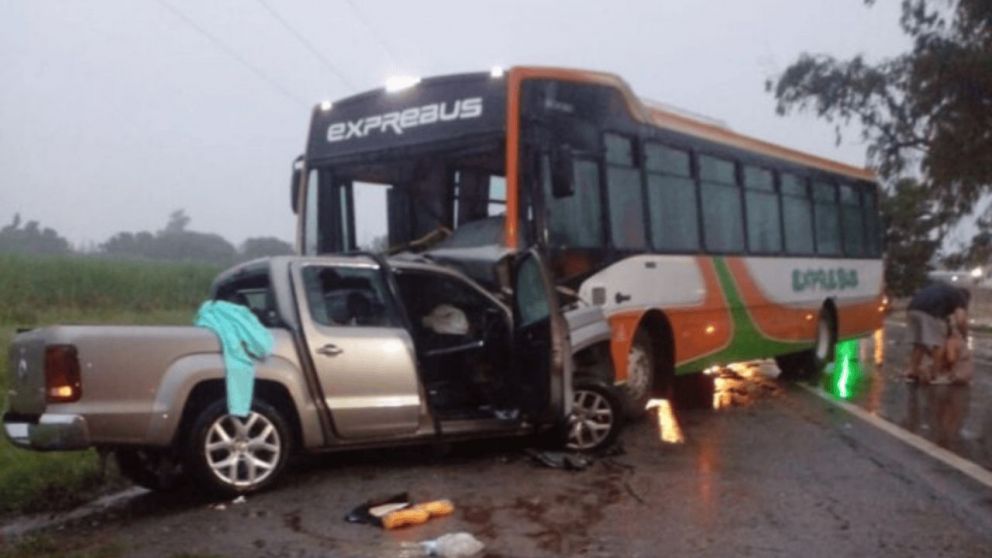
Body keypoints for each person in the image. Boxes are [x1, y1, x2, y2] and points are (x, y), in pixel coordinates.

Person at [905, 282, 970, 383]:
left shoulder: (946, 292)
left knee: (919, 344)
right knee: (938, 344)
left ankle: (911, 372)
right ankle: (936, 375)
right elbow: (960, 320)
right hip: (929, 312)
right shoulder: (960, 298)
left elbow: (944, 319)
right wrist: (964, 336)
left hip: (912, 309)